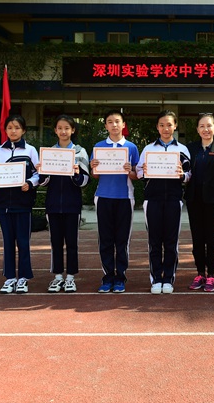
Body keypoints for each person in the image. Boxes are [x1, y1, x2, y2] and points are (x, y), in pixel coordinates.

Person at [136, 110, 191, 295]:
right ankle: (156, 279)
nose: (165, 128)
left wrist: (182, 175)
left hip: (174, 200)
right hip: (152, 200)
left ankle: (168, 278)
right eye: (162, 125)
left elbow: (189, 175)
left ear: (175, 126)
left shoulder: (182, 150)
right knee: (154, 241)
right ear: (157, 127)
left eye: (169, 125)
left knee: (171, 242)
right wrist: (144, 170)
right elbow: (138, 172)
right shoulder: (148, 149)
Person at [0, 115, 40, 294]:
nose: (13, 131)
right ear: (5, 130)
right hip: (3, 203)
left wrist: (30, 183)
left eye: (17, 127)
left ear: (23, 130)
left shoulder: (30, 150)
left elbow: (38, 173)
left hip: (23, 203)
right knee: (8, 242)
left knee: (23, 242)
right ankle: (9, 278)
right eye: (9, 127)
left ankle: (23, 278)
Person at [38, 115, 90, 293]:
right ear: (55, 130)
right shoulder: (48, 152)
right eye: (59, 128)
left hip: (72, 204)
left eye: (67, 128)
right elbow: (43, 182)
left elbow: (85, 181)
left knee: (72, 242)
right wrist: (41, 172)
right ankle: (58, 276)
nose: (63, 131)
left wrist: (76, 174)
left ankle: (70, 278)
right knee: (55, 242)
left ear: (73, 130)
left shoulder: (80, 152)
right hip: (53, 204)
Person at [89, 110, 139, 293]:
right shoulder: (99, 147)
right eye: (110, 122)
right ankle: (108, 276)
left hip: (125, 197)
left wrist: (129, 170)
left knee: (122, 240)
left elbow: (137, 175)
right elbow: (95, 175)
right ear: (106, 126)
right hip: (103, 197)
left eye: (117, 121)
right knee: (106, 239)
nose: (114, 125)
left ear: (123, 124)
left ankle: (120, 278)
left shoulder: (131, 147)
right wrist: (93, 167)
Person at [185, 113, 214, 292]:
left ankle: (211, 275)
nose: (206, 129)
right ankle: (200, 273)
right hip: (194, 200)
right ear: (197, 129)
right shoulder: (190, 148)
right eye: (202, 126)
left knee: (211, 240)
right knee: (197, 240)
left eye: (209, 125)